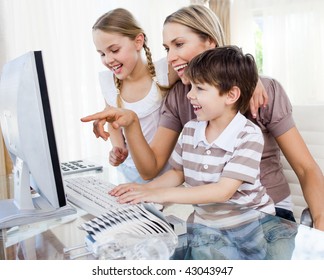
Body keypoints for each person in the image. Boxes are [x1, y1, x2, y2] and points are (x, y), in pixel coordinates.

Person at [81, 5, 324, 230]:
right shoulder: (179, 96)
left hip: (265, 215)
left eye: (179, 44)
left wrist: (321, 229)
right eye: (167, 48)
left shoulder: (263, 91)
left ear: (210, 42)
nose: (171, 57)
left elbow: (305, 169)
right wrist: (131, 124)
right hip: (211, 218)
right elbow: (160, 169)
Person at [110, 45, 275, 216]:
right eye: (191, 87)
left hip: (251, 225)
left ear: (231, 95)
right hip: (209, 224)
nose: (189, 95)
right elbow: (177, 173)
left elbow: (222, 191)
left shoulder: (248, 135)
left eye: (200, 88)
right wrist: (145, 189)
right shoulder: (190, 130)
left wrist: (160, 195)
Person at [91, 8, 177, 183]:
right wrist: (117, 151)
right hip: (129, 173)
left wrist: (249, 83)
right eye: (102, 54)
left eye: (114, 50)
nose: (107, 59)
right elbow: (114, 123)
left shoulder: (165, 72)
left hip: (164, 175)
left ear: (138, 41)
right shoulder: (108, 82)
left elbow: (206, 64)